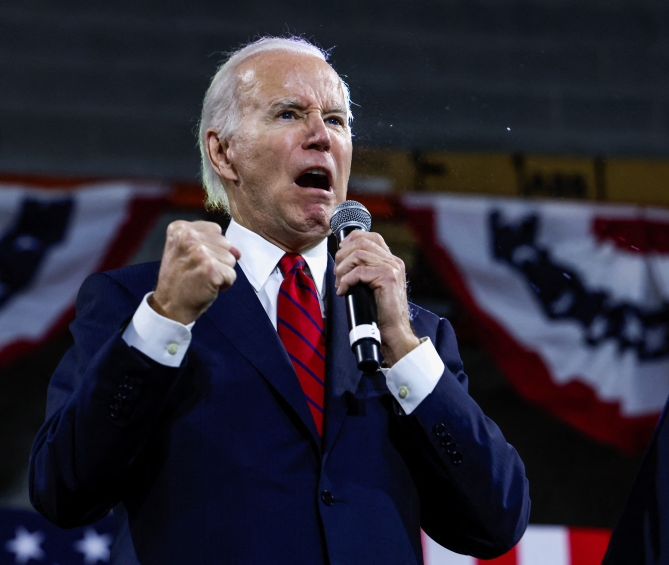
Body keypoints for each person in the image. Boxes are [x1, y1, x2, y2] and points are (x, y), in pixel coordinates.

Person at [29, 36, 530, 564]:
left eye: (336, 121)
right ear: (223, 152)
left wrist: (402, 344)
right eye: (289, 114)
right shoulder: (138, 305)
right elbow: (64, 490)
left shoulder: (411, 334)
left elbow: (495, 521)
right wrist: (165, 321)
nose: (320, 136)